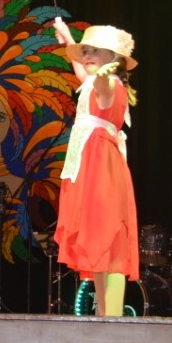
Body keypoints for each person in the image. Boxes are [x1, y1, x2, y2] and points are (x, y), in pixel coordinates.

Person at [51, 17, 140, 317]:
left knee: (106, 236)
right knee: (97, 238)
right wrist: (67, 38)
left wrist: (104, 74)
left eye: (94, 51)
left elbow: (102, 86)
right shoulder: (93, 80)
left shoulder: (110, 84)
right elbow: (84, 75)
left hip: (100, 165)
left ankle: (112, 313)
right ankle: (104, 312)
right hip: (87, 163)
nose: (86, 56)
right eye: (85, 51)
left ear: (113, 59)